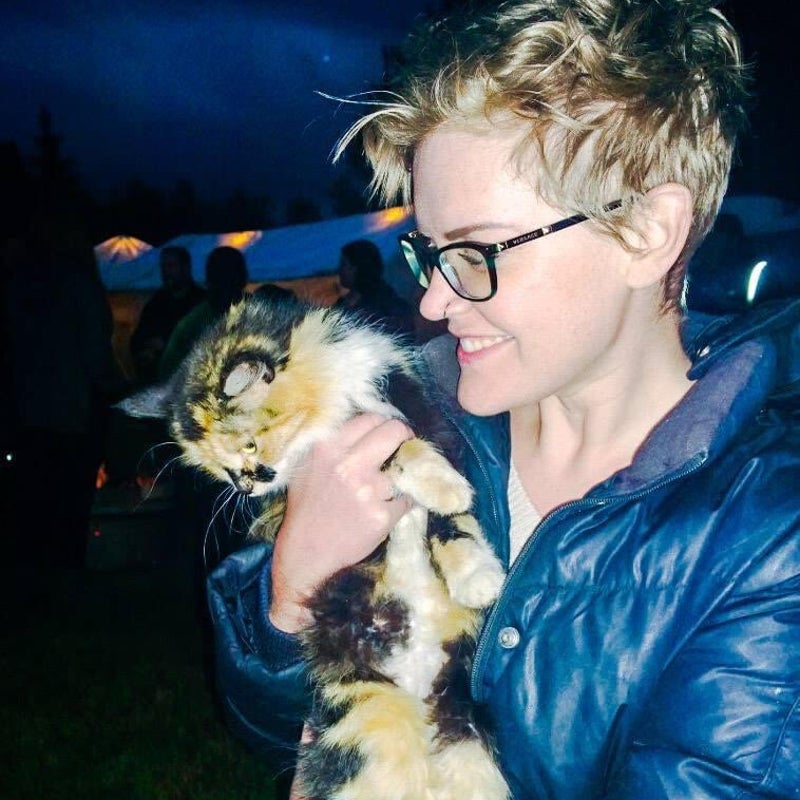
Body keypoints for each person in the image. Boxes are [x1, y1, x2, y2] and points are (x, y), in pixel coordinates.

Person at [206, 2, 800, 798]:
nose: (434, 304)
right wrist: (291, 592)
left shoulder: (766, 534)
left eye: (477, 252)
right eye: (430, 254)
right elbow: (275, 725)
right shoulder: (399, 417)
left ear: (647, 233)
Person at [158, 245, 249, 378]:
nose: (166, 272)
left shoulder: (191, 323)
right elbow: (168, 372)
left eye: (171, 266)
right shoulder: (191, 325)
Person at [129, 245, 205, 384]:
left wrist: (167, 345)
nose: (166, 272)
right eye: (163, 267)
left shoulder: (201, 303)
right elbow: (137, 341)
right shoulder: (155, 304)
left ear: (185, 268)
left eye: (171, 266)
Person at [335, 238, 416, 336]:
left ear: (359, 268)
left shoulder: (388, 305)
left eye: (344, 265)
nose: (339, 270)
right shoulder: (341, 304)